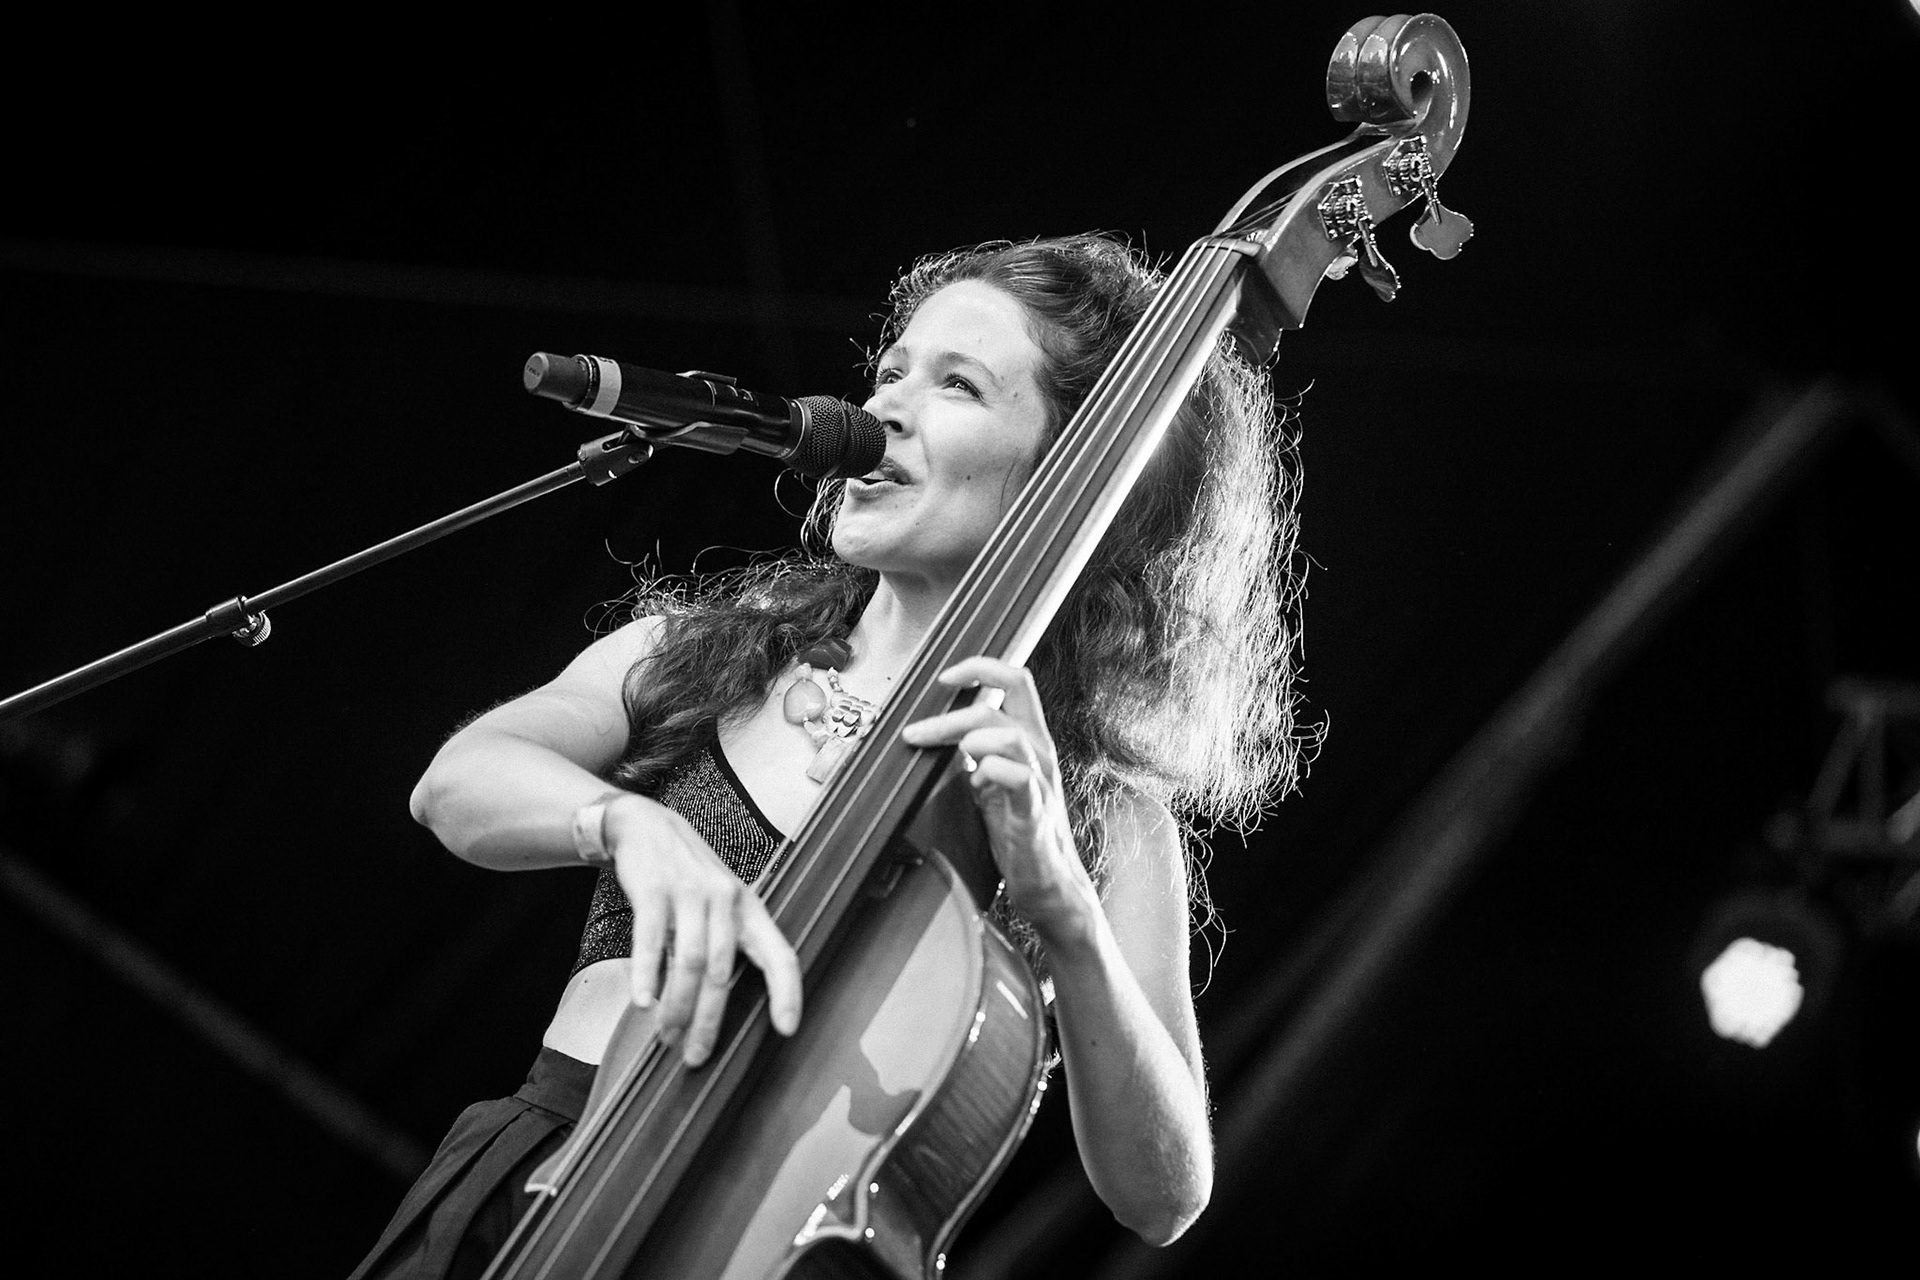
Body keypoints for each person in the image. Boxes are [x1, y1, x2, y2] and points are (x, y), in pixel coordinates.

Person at [350, 232, 1309, 1278]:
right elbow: (457, 782)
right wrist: (631, 823)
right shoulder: (723, 650)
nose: (885, 406)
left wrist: (1065, 906)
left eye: (957, 386)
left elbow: (1164, 1194)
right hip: (528, 1195)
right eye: (891, 369)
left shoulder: (1095, 807)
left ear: (1066, 471)